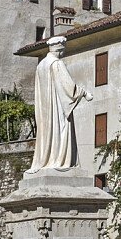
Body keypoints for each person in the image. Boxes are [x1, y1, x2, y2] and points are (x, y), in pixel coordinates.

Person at [27, 37, 93, 173]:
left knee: (48, 134)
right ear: (60, 49)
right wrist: (84, 93)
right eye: (63, 50)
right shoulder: (56, 64)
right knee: (60, 132)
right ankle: (59, 159)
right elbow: (68, 87)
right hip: (58, 109)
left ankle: (46, 159)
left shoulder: (41, 65)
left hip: (45, 111)